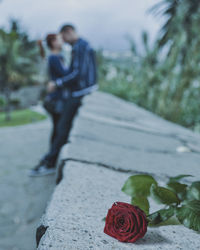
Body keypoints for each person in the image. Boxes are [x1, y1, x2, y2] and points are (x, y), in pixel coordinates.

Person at [29, 24, 97, 177]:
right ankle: (49, 160)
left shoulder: (77, 48)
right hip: (59, 99)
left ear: (69, 32)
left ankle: (49, 160)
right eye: (59, 39)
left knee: (59, 130)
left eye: (63, 38)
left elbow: (76, 74)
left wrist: (58, 83)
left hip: (72, 94)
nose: (63, 42)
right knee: (60, 130)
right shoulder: (57, 57)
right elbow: (72, 74)